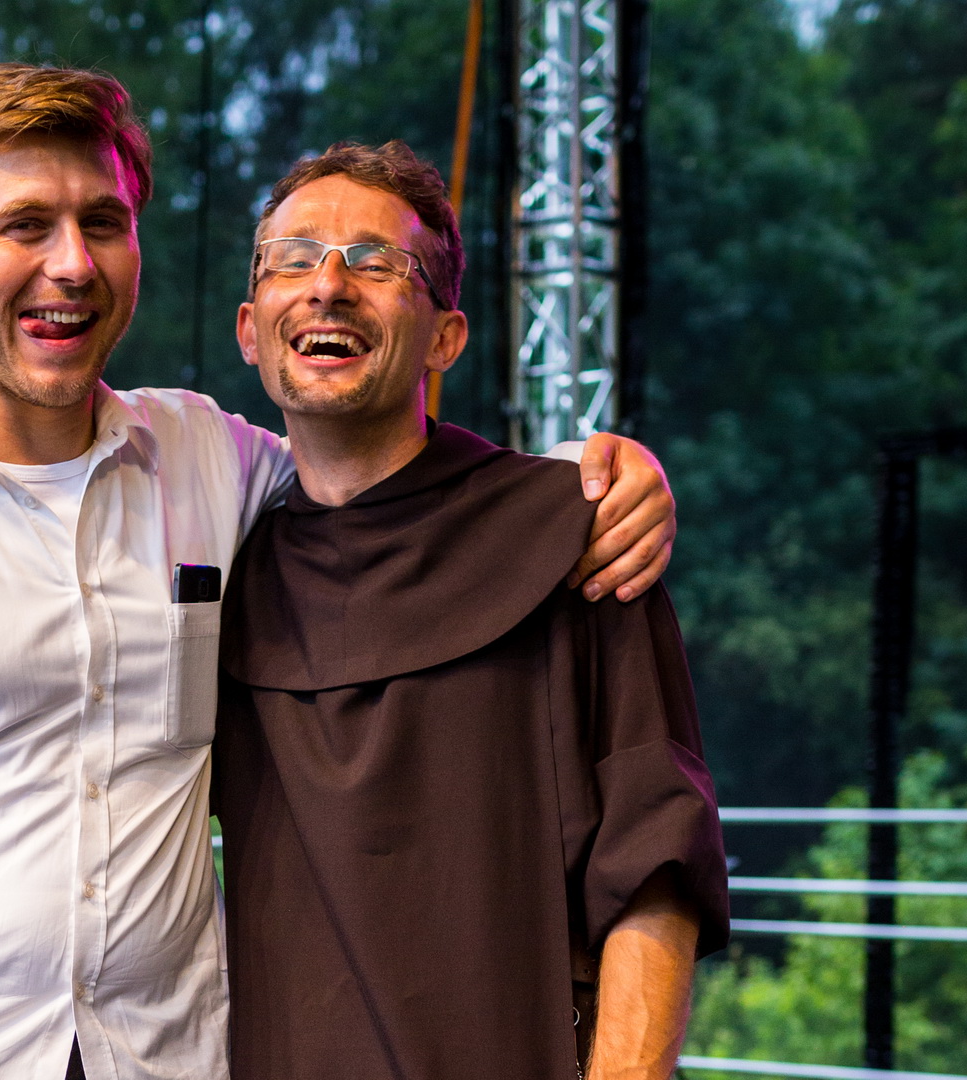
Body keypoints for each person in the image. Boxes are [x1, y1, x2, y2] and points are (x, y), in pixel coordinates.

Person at [0, 64, 673, 1080]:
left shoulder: (212, 461)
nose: (72, 263)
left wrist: (594, 475)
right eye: (25, 226)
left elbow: (380, 467)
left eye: (103, 223)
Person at [210, 142, 729, 1079]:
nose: (328, 286)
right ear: (251, 330)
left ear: (445, 338)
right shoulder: (223, 563)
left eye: (376, 262)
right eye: (295, 258)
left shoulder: (578, 533)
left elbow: (657, 865)